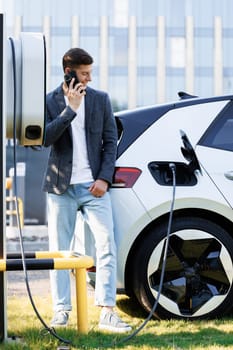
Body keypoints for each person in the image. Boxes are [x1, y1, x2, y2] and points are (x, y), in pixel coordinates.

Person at [42, 47, 132, 333]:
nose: (89, 78)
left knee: (107, 244)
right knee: (60, 252)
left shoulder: (101, 100)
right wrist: (71, 110)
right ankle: (61, 311)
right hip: (61, 187)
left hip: (94, 187)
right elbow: (46, 139)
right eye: (84, 73)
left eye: (91, 72)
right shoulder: (50, 101)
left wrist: (104, 178)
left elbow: (110, 142)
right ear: (69, 73)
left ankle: (107, 311)